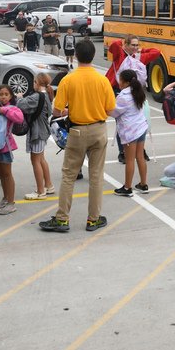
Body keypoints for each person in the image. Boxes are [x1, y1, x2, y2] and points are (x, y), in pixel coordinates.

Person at [39, 38, 116, 234]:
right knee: (96, 177)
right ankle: (93, 219)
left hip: (77, 131)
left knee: (69, 176)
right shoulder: (102, 79)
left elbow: (56, 111)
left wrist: (69, 111)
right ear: (92, 55)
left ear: (76, 55)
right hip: (99, 129)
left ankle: (62, 218)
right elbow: (110, 109)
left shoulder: (68, 80)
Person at [106, 35, 149, 163]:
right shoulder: (120, 54)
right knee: (121, 121)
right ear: (126, 45)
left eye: (137, 45)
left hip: (135, 91)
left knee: (139, 119)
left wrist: (142, 51)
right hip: (118, 89)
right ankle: (123, 152)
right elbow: (113, 45)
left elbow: (156, 52)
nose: (135, 48)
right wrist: (123, 43)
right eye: (133, 45)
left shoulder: (139, 57)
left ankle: (140, 149)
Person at [0, 84, 24, 214]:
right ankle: (5, 198)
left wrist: (4, 111)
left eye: (6, 94)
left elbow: (19, 118)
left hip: (5, 146)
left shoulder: (11, 108)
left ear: (11, 96)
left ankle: (11, 203)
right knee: (1, 174)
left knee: (7, 174)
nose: (4, 97)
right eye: (1, 94)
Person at [111, 69, 149, 197]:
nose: (118, 82)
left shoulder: (123, 96)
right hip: (141, 127)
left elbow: (114, 112)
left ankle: (127, 188)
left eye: (120, 80)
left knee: (129, 160)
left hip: (130, 131)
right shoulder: (138, 92)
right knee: (140, 157)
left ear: (125, 82)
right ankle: (143, 184)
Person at [19, 73, 55, 201]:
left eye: (34, 82)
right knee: (41, 159)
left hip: (38, 132)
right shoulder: (47, 95)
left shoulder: (37, 97)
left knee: (35, 161)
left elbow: (21, 105)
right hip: (43, 132)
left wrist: (19, 97)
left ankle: (40, 191)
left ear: (38, 83)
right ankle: (48, 185)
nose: (33, 84)